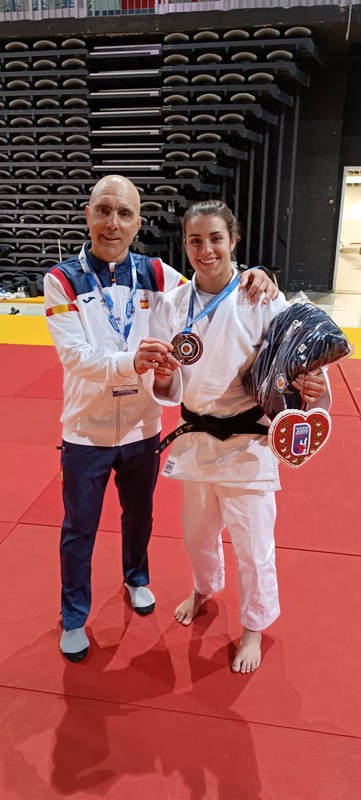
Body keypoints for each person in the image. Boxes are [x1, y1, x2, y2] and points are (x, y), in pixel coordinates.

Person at [43, 175, 278, 663]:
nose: (113, 223)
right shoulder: (60, 279)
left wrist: (257, 271)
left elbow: (212, 278)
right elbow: (75, 355)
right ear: (88, 215)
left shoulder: (155, 273)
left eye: (124, 213)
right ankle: (73, 616)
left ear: (137, 223)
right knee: (79, 527)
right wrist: (134, 361)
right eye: (103, 210)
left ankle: (137, 578)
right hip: (85, 429)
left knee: (141, 517)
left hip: (144, 426)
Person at [148, 199, 331, 674]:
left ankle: (253, 626)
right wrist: (163, 374)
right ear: (184, 245)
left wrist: (311, 385)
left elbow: (299, 354)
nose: (205, 250)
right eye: (195, 240)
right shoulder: (172, 304)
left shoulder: (262, 295)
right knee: (196, 535)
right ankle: (204, 588)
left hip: (250, 441)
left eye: (215, 239)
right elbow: (167, 385)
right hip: (197, 439)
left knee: (253, 545)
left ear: (233, 241)